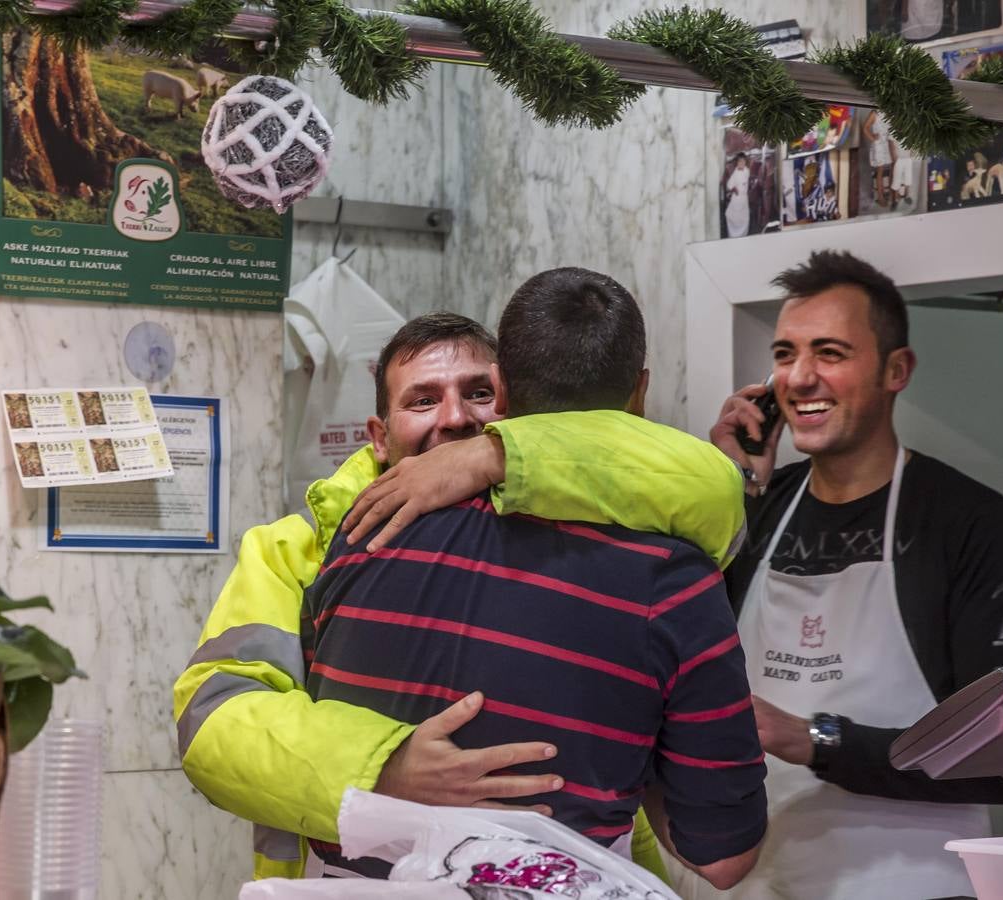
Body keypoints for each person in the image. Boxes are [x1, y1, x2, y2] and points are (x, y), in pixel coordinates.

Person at [173, 312, 748, 881]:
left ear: (509, 403)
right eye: (423, 401)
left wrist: (493, 455)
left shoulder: (589, 534)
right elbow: (215, 720)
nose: (454, 419)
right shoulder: (305, 546)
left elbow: (710, 488)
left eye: (477, 393)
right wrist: (384, 768)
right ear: (380, 437)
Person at [306, 268, 767, 887]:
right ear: (640, 392)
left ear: (499, 389)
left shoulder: (362, 530)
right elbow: (722, 858)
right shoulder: (673, 581)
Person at [708, 249, 1003, 899]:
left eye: (829, 353)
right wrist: (726, 489)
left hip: (914, 884)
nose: (800, 377)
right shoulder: (756, 507)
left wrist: (815, 740)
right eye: (784, 355)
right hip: (752, 883)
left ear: (896, 370)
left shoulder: (967, 521)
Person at [725, 153, 751, 238]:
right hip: (737, 198)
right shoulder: (735, 173)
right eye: (740, 161)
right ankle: (733, 235)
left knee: (744, 218)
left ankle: (743, 235)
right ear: (737, 162)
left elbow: (745, 182)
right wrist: (733, 189)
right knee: (731, 215)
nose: (742, 163)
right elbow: (729, 185)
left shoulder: (747, 171)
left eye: (743, 161)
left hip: (744, 199)